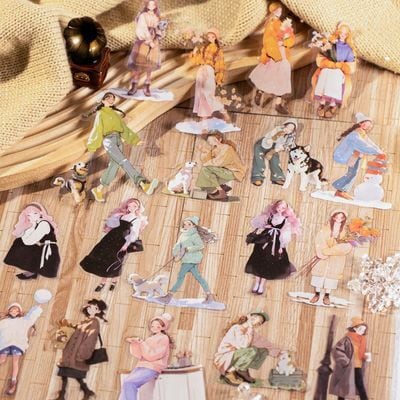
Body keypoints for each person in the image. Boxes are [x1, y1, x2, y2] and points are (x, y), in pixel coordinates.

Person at [86, 92, 158, 202]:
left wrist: (135, 140)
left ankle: (98, 189)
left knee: (114, 166)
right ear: (102, 100)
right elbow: (97, 129)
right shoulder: (100, 114)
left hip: (118, 140)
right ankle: (143, 184)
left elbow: (124, 128)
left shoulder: (115, 114)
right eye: (108, 98)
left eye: (112, 98)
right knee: (124, 161)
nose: (111, 100)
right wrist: (92, 145)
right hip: (109, 141)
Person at [80, 198, 148, 291]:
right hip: (111, 238)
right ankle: (102, 282)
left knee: (116, 261)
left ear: (138, 208)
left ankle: (114, 281)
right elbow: (111, 224)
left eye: (134, 206)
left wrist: (126, 244)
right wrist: (116, 216)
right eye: (130, 205)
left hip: (122, 241)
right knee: (105, 260)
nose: (131, 207)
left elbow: (134, 233)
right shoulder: (122, 216)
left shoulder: (136, 219)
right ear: (127, 206)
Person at [55, 299, 108, 400]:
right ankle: (71, 393)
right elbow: (74, 330)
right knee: (65, 373)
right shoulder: (85, 321)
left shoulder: (94, 322)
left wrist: (82, 354)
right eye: (89, 306)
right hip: (70, 352)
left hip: (78, 354)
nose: (90, 308)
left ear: (98, 311)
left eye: (94, 308)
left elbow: (90, 339)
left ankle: (80, 392)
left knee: (72, 373)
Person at [157, 216, 218, 304]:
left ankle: (168, 296)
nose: (186, 226)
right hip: (185, 259)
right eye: (185, 224)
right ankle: (209, 296)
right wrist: (175, 253)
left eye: (189, 224)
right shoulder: (183, 234)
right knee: (198, 277)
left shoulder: (194, 235)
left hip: (191, 259)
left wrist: (188, 249)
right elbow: (178, 245)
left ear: (194, 225)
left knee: (180, 277)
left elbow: (200, 246)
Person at [245, 200, 300, 295]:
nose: (280, 209)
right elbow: (258, 224)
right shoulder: (270, 216)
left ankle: (262, 284)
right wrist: (266, 226)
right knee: (258, 260)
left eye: (283, 208)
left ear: (286, 209)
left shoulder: (285, 220)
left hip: (275, 243)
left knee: (268, 262)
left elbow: (285, 234)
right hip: (263, 240)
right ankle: (257, 283)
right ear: (275, 206)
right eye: (278, 207)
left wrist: (281, 246)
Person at [249, 2, 295, 114]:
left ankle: (278, 103)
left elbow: (290, 38)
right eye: (277, 10)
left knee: (282, 75)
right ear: (272, 11)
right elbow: (268, 41)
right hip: (274, 54)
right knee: (269, 74)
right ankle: (260, 92)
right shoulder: (270, 24)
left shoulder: (281, 23)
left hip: (283, 53)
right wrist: (276, 51)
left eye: (280, 10)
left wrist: (286, 39)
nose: (279, 12)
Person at [214, 311, 281, 386]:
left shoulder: (251, 332)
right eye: (254, 319)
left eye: (259, 323)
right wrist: (251, 328)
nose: (256, 323)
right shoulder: (236, 328)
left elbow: (263, 343)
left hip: (234, 357)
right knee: (252, 350)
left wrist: (279, 352)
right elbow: (244, 345)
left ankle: (241, 371)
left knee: (263, 351)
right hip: (224, 358)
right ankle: (229, 372)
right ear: (249, 317)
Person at [119, 313, 173, 400]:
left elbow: (152, 355)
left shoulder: (164, 338)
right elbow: (140, 355)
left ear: (163, 328)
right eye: (152, 326)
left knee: (130, 382)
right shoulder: (150, 339)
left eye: (158, 326)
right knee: (126, 382)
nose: (154, 328)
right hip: (142, 366)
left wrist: (141, 342)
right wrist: (134, 343)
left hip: (153, 367)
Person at [332, 112, 383, 200]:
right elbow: (363, 145)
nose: (367, 126)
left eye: (369, 125)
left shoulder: (362, 133)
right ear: (360, 124)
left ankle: (341, 190)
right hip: (351, 156)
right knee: (352, 173)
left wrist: (379, 150)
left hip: (355, 156)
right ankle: (340, 190)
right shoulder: (355, 134)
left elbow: (370, 143)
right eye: (366, 124)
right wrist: (377, 152)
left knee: (353, 173)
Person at [3, 202, 60, 280]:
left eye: (34, 213)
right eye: (28, 215)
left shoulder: (43, 224)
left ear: (40, 213)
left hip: (49, 252)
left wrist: (31, 227)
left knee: (20, 243)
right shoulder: (36, 224)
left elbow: (28, 241)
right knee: (19, 241)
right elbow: (24, 238)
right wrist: (30, 226)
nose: (31, 217)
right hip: (43, 248)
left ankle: (33, 270)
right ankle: (32, 270)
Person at [311, 22, 356, 118]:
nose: (343, 35)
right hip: (328, 66)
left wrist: (342, 65)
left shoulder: (348, 49)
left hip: (339, 69)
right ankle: (322, 101)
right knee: (324, 73)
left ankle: (333, 103)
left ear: (347, 35)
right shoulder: (331, 43)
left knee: (335, 76)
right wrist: (329, 63)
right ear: (338, 32)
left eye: (345, 34)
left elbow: (351, 65)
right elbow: (322, 55)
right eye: (341, 32)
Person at [309, 210, 353, 305]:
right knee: (319, 275)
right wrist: (323, 251)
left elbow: (346, 246)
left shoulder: (345, 232)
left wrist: (333, 250)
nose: (339, 219)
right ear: (333, 217)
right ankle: (316, 294)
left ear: (344, 219)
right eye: (337, 217)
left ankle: (327, 295)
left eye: (341, 217)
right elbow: (319, 240)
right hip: (323, 256)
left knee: (331, 277)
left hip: (336, 258)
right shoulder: (325, 229)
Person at [190, 28, 230, 131]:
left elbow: (220, 66)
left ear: (216, 38)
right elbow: (198, 60)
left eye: (212, 37)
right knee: (201, 95)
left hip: (209, 71)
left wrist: (219, 78)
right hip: (201, 71)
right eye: (209, 37)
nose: (210, 38)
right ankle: (205, 122)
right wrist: (195, 52)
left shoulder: (218, 50)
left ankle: (222, 111)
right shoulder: (204, 48)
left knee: (208, 95)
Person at [0, 302, 42, 395]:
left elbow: (31, 316)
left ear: (19, 312)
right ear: (9, 311)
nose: (14, 312)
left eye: (16, 310)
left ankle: (13, 382)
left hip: (17, 343)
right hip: (5, 343)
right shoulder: (3, 322)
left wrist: (38, 306)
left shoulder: (23, 321)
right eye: (12, 310)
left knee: (15, 362)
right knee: (2, 359)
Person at [127, 0, 166, 96]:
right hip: (144, 41)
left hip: (154, 40)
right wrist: (149, 40)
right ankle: (134, 84)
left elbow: (159, 30)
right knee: (139, 62)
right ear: (146, 5)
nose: (151, 6)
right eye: (149, 4)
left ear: (155, 5)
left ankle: (147, 84)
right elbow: (142, 28)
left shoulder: (157, 17)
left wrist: (160, 29)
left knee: (150, 63)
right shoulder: (143, 16)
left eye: (153, 4)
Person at [329, 317, 371, 400]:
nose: (362, 331)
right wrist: (346, 362)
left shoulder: (362, 340)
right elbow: (337, 350)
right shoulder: (347, 339)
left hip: (358, 366)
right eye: (360, 329)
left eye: (364, 330)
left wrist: (367, 357)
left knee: (360, 385)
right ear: (354, 328)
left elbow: (363, 352)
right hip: (347, 368)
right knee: (343, 387)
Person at [196, 133, 246, 200]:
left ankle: (221, 191)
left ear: (219, 139)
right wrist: (205, 152)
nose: (210, 142)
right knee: (204, 180)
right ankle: (220, 188)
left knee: (205, 170)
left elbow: (219, 162)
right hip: (223, 171)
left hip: (234, 172)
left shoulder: (227, 148)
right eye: (209, 141)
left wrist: (207, 164)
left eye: (212, 140)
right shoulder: (214, 150)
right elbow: (207, 162)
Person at [251, 118, 298, 186]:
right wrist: (278, 135)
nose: (288, 130)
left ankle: (277, 177)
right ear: (285, 125)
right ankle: (257, 176)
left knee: (275, 160)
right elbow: (269, 140)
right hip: (262, 144)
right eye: (287, 127)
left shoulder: (289, 138)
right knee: (258, 160)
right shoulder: (277, 129)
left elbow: (280, 147)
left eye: (291, 129)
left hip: (273, 147)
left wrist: (271, 153)